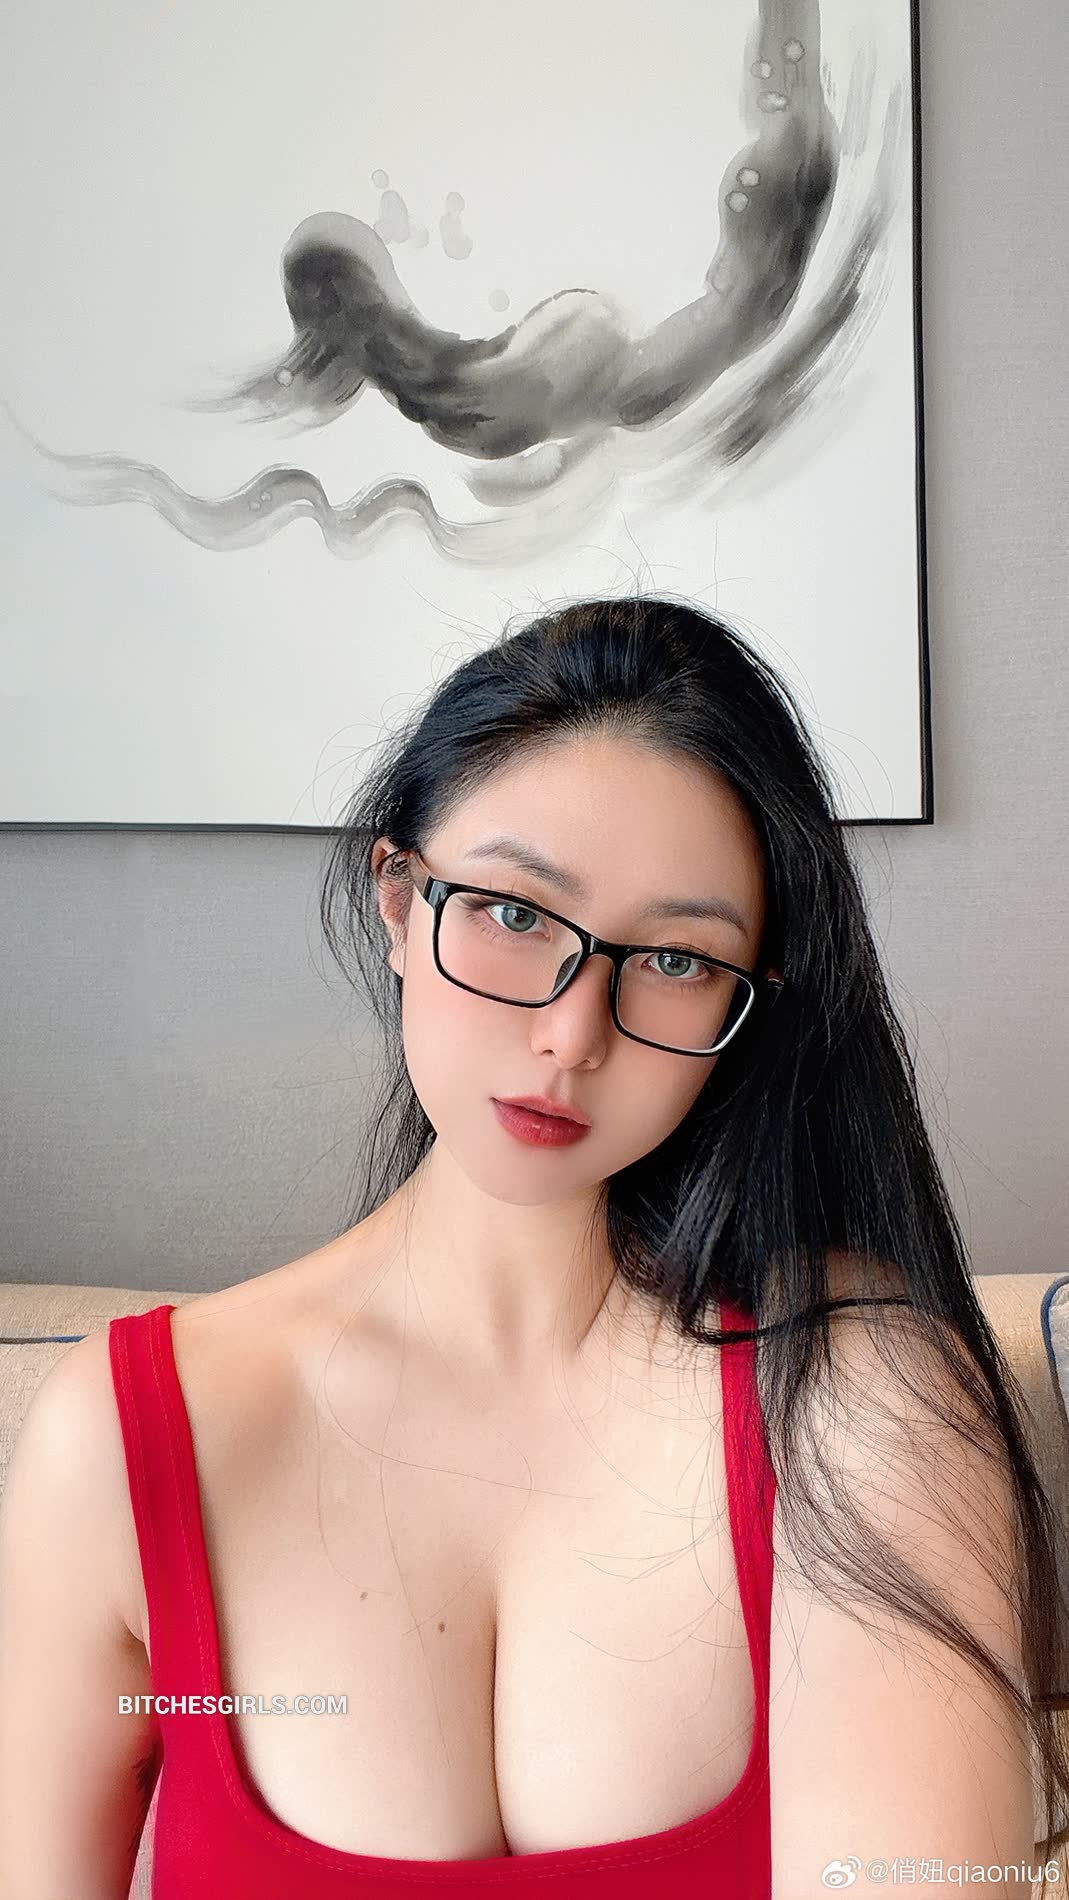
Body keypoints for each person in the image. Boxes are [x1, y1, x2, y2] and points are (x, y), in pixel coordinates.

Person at [1, 594, 1065, 1899]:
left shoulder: (855, 1400)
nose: (573, 1033)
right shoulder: (120, 1439)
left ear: (753, 1004)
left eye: (675, 959)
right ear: (399, 900)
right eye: (513, 915)